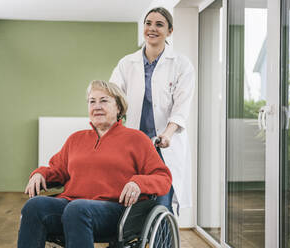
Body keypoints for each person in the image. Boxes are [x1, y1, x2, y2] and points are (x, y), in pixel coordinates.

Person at [17, 80, 172, 248]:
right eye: (92, 101)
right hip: (72, 205)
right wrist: (41, 174)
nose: (97, 106)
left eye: (104, 100)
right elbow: (57, 170)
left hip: (117, 210)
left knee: (77, 209)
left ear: (119, 107)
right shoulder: (76, 139)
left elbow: (163, 177)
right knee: (34, 206)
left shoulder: (137, 139)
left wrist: (138, 183)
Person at [110, 7, 195, 213]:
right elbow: (114, 98)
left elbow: (181, 106)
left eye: (159, 24)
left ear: (170, 31)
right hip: (133, 145)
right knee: (126, 200)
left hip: (163, 145)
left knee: (161, 204)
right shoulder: (127, 63)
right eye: (148, 23)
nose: (152, 28)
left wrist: (167, 133)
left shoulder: (181, 64)